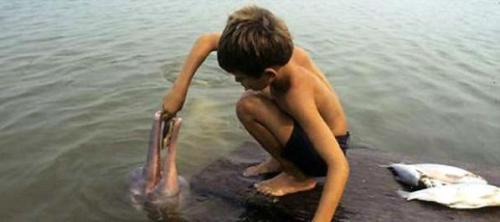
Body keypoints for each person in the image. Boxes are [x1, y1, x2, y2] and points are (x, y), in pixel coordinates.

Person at [161, 5, 350, 222]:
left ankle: (297, 177)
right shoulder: (277, 56)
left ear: (269, 74)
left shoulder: (296, 93)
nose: (238, 82)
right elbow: (206, 41)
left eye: (241, 78)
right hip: (313, 133)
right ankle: (280, 162)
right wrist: (179, 90)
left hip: (324, 153)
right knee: (255, 95)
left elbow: (339, 166)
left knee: (248, 105)